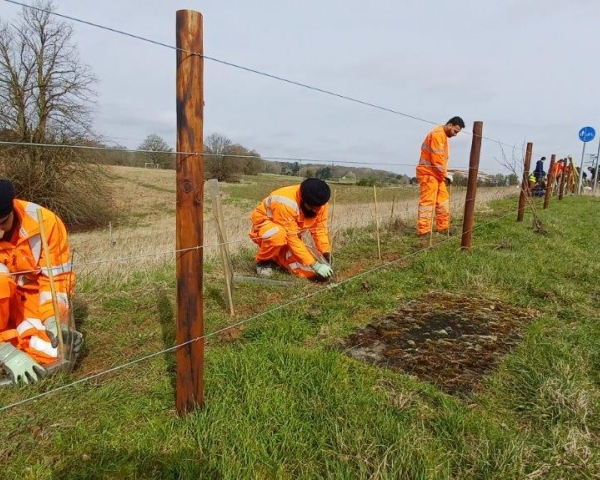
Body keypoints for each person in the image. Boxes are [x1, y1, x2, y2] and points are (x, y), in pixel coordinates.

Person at [0, 179, 82, 385]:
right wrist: (4, 352)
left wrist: (55, 320)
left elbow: (56, 280)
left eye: (2, 223)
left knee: (54, 350)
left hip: (31, 303)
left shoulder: (45, 223)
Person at [249, 178, 333, 281]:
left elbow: (319, 229)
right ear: (302, 199)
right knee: (278, 235)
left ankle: (277, 258)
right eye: (312, 207)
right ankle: (263, 262)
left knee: (307, 271)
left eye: (318, 207)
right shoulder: (285, 202)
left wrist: (325, 252)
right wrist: (315, 265)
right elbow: (292, 237)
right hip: (266, 228)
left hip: (289, 232)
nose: (316, 210)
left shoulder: (320, 202)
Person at [416, 116, 465, 236]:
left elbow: (440, 161)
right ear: (450, 125)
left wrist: (443, 175)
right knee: (428, 202)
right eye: (455, 131)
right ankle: (424, 231)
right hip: (428, 173)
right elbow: (437, 160)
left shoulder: (443, 136)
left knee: (442, 201)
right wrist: (445, 175)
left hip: (437, 175)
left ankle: (443, 228)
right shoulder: (437, 135)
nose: (455, 135)